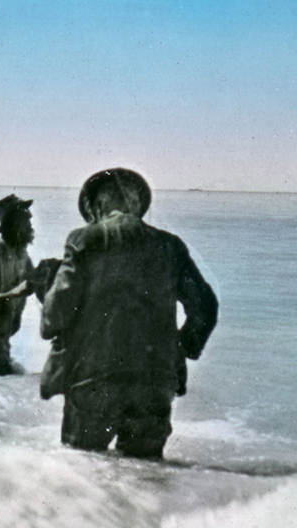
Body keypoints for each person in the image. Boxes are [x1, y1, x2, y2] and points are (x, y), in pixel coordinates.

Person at [40, 168, 218, 459]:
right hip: (156, 381)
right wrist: (181, 348)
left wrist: (47, 301)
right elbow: (205, 307)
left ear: (97, 207)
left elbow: (53, 319)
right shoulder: (171, 245)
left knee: (83, 468)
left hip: (93, 380)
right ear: (137, 205)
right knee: (145, 473)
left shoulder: (84, 240)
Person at [0, 195, 58, 375]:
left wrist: (47, 276)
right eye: (26, 221)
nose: (31, 226)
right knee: (5, 386)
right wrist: (13, 294)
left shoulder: (21, 255)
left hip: (2, 336)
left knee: (10, 385)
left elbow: (34, 286)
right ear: (13, 224)